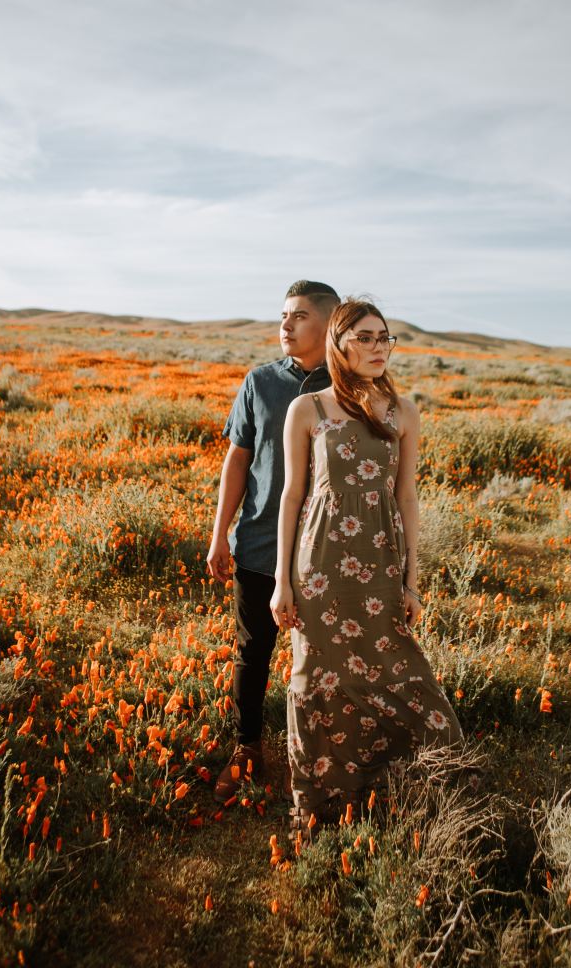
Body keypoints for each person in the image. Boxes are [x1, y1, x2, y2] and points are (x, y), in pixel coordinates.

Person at [271, 297, 463, 829]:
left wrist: (412, 581)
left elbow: (407, 498)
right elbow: (292, 497)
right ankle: (322, 802)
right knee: (317, 679)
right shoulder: (308, 409)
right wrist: (281, 581)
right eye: (366, 337)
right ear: (339, 344)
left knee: (399, 672)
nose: (379, 348)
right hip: (319, 565)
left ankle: (402, 780)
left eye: (385, 338)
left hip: (379, 563)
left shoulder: (402, 412)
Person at [207, 279, 340, 802]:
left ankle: (325, 754)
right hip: (259, 543)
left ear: (328, 326)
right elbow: (237, 460)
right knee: (252, 652)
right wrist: (221, 534)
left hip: (327, 550)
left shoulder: (349, 387)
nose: (286, 324)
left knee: (326, 660)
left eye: (300, 315)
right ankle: (247, 748)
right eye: (284, 314)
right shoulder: (260, 382)